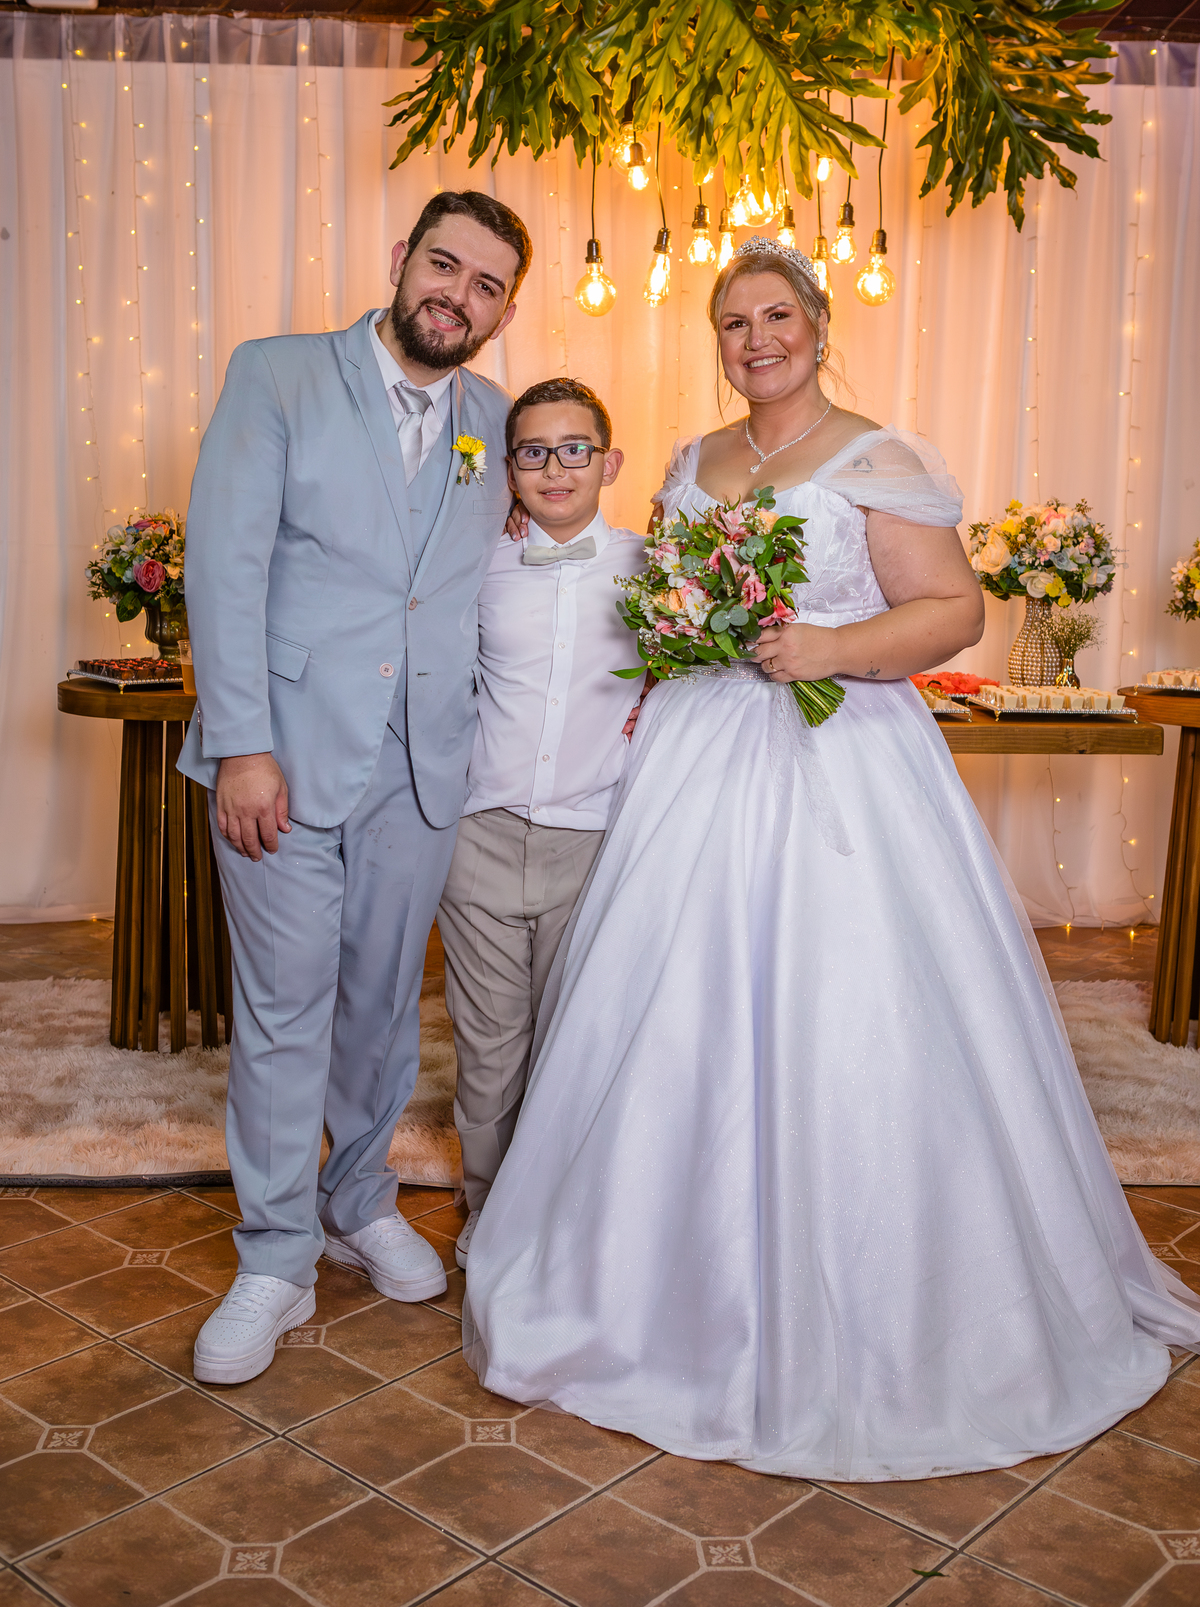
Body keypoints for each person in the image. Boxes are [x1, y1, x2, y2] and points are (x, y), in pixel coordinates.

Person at [462, 237, 1200, 1481]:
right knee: (669, 1010)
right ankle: (638, 1280)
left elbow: (954, 610)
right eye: (734, 323)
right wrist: (687, 633)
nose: (756, 341)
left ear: (815, 325)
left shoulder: (877, 455)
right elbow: (662, 602)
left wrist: (832, 646)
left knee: (846, 1003)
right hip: (697, 757)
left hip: (840, 753)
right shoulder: (692, 461)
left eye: (776, 318)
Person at [179, 190, 531, 1385]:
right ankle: (275, 1255)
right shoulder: (277, 374)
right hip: (279, 757)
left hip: (423, 765)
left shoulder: (496, 421)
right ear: (400, 259)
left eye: (486, 285)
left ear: (503, 311)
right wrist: (241, 743)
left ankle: (357, 1200)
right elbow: (223, 563)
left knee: (380, 1005)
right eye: (444, 264)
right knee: (286, 1006)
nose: (457, 295)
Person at [437, 378, 645, 1272]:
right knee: (489, 1043)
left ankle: (565, 1215)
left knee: (577, 1040)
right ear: (509, 470)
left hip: (596, 840)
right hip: (479, 832)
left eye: (574, 449)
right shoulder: (475, 564)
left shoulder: (656, 568)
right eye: (533, 452)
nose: (556, 469)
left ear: (609, 461)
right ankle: (490, 1211)